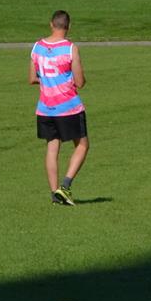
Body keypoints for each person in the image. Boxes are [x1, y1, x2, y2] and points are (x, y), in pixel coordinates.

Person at [30, 11, 88, 205]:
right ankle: (65, 186)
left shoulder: (37, 47)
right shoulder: (70, 48)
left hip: (45, 108)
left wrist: (48, 80)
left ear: (51, 24)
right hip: (68, 106)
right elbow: (80, 82)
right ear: (69, 26)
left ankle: (55, 193)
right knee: (82, 145)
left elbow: (32, 78)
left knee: (52, 148)